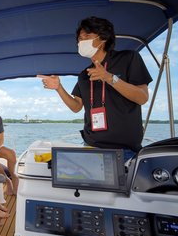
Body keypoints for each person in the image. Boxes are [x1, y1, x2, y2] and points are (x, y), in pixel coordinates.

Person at [38, 16, 152, 160]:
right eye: (80, 38)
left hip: (124, 150)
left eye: (87, 35)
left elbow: (142, 97)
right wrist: (58, 87)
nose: (81, 40)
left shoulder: (129, 58)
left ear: (103, 38)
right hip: (91, 146)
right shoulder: (84, 75)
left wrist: (110, 78)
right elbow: (76, 107)